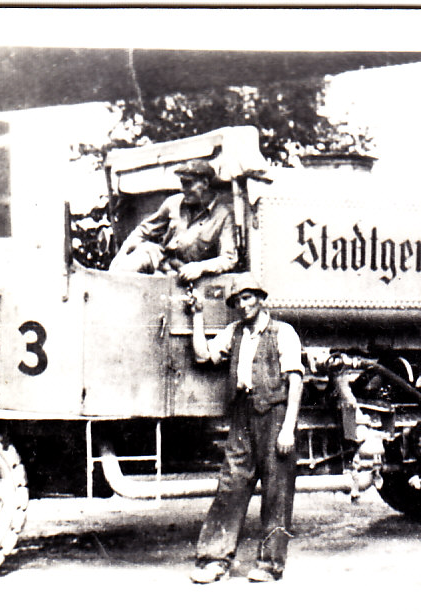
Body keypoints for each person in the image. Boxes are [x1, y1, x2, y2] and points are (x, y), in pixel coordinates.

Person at [186, 274, 304, 583]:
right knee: (231, 486)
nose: (243, 304)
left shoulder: (283, 332)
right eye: (238, 300)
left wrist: (288, 428)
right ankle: (215, 560)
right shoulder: (233, 333)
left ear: (261, 298)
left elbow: (295, 380)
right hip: (242, 415)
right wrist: (197, 316)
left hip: (276, 415)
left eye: (248, 297)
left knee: (277, 491)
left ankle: (269, 564)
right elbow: (202, 355)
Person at [109, 159, 238, 284]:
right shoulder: (173, 203)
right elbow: (143, 230)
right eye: (182, 183)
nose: (182, 189)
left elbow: (229, 258)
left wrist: (200, 268)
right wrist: (121, 255)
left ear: (204, 183)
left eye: (188, 183)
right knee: (130, 264)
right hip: (162, 261)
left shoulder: (223, 215)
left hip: (187, 276)